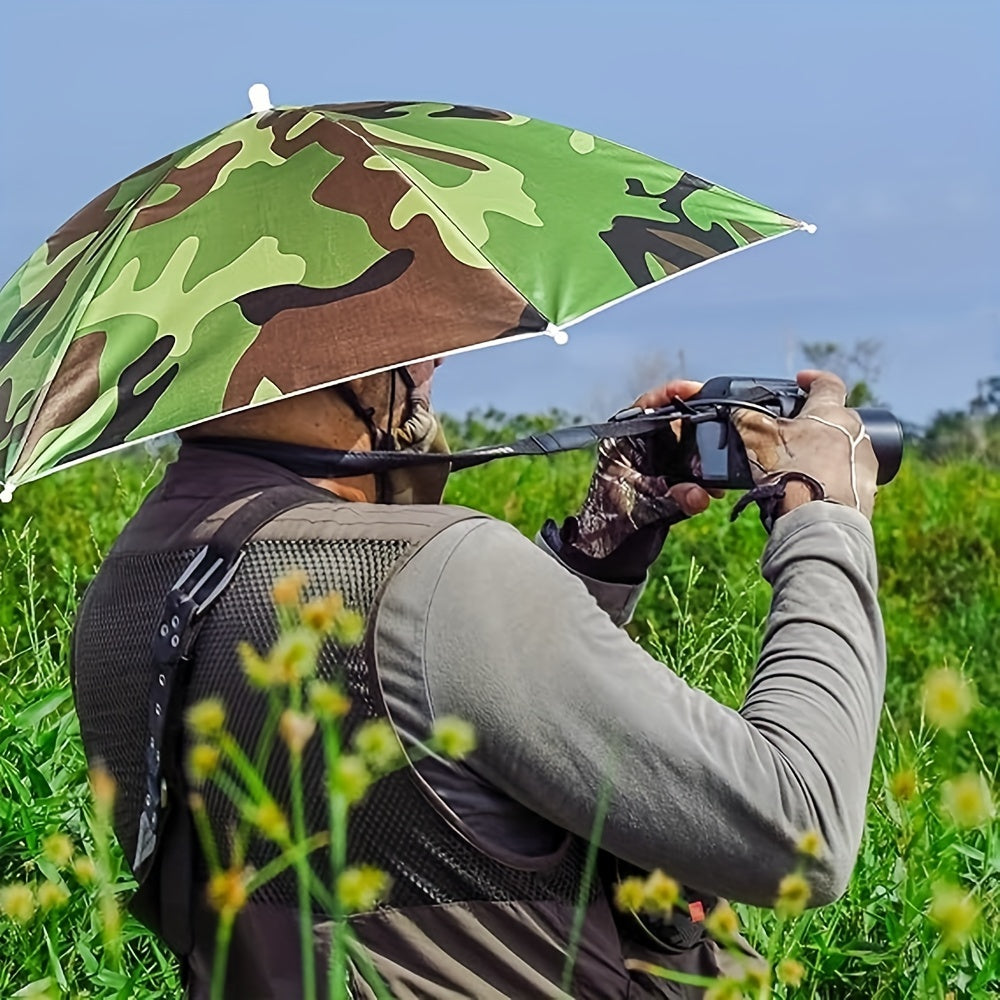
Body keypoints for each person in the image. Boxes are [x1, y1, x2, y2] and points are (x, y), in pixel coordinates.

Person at [71, 362, 884, 999]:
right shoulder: (438, 572)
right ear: (341, 354)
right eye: (412, 345)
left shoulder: (126, 592)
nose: (433, 369)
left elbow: (441, 776)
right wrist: (826, 519)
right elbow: (798, 831)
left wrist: (592, 565)